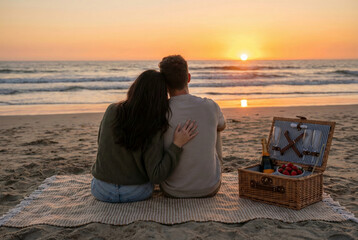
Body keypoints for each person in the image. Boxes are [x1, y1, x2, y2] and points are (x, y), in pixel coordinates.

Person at [91, 70, 198, 203]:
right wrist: (176, 145)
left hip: (101, 190)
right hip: (135, 192)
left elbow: (101, 143)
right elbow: (156, 176)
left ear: (135, 88)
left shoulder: (111, 110)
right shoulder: (154, 124)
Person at [159, 55, 226, 198]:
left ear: (164, 84)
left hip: (172, 190)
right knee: (216, 127)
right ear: (188, 78)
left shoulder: (160, 111)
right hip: (209, 188)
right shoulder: (210, 105)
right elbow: (223, 125)